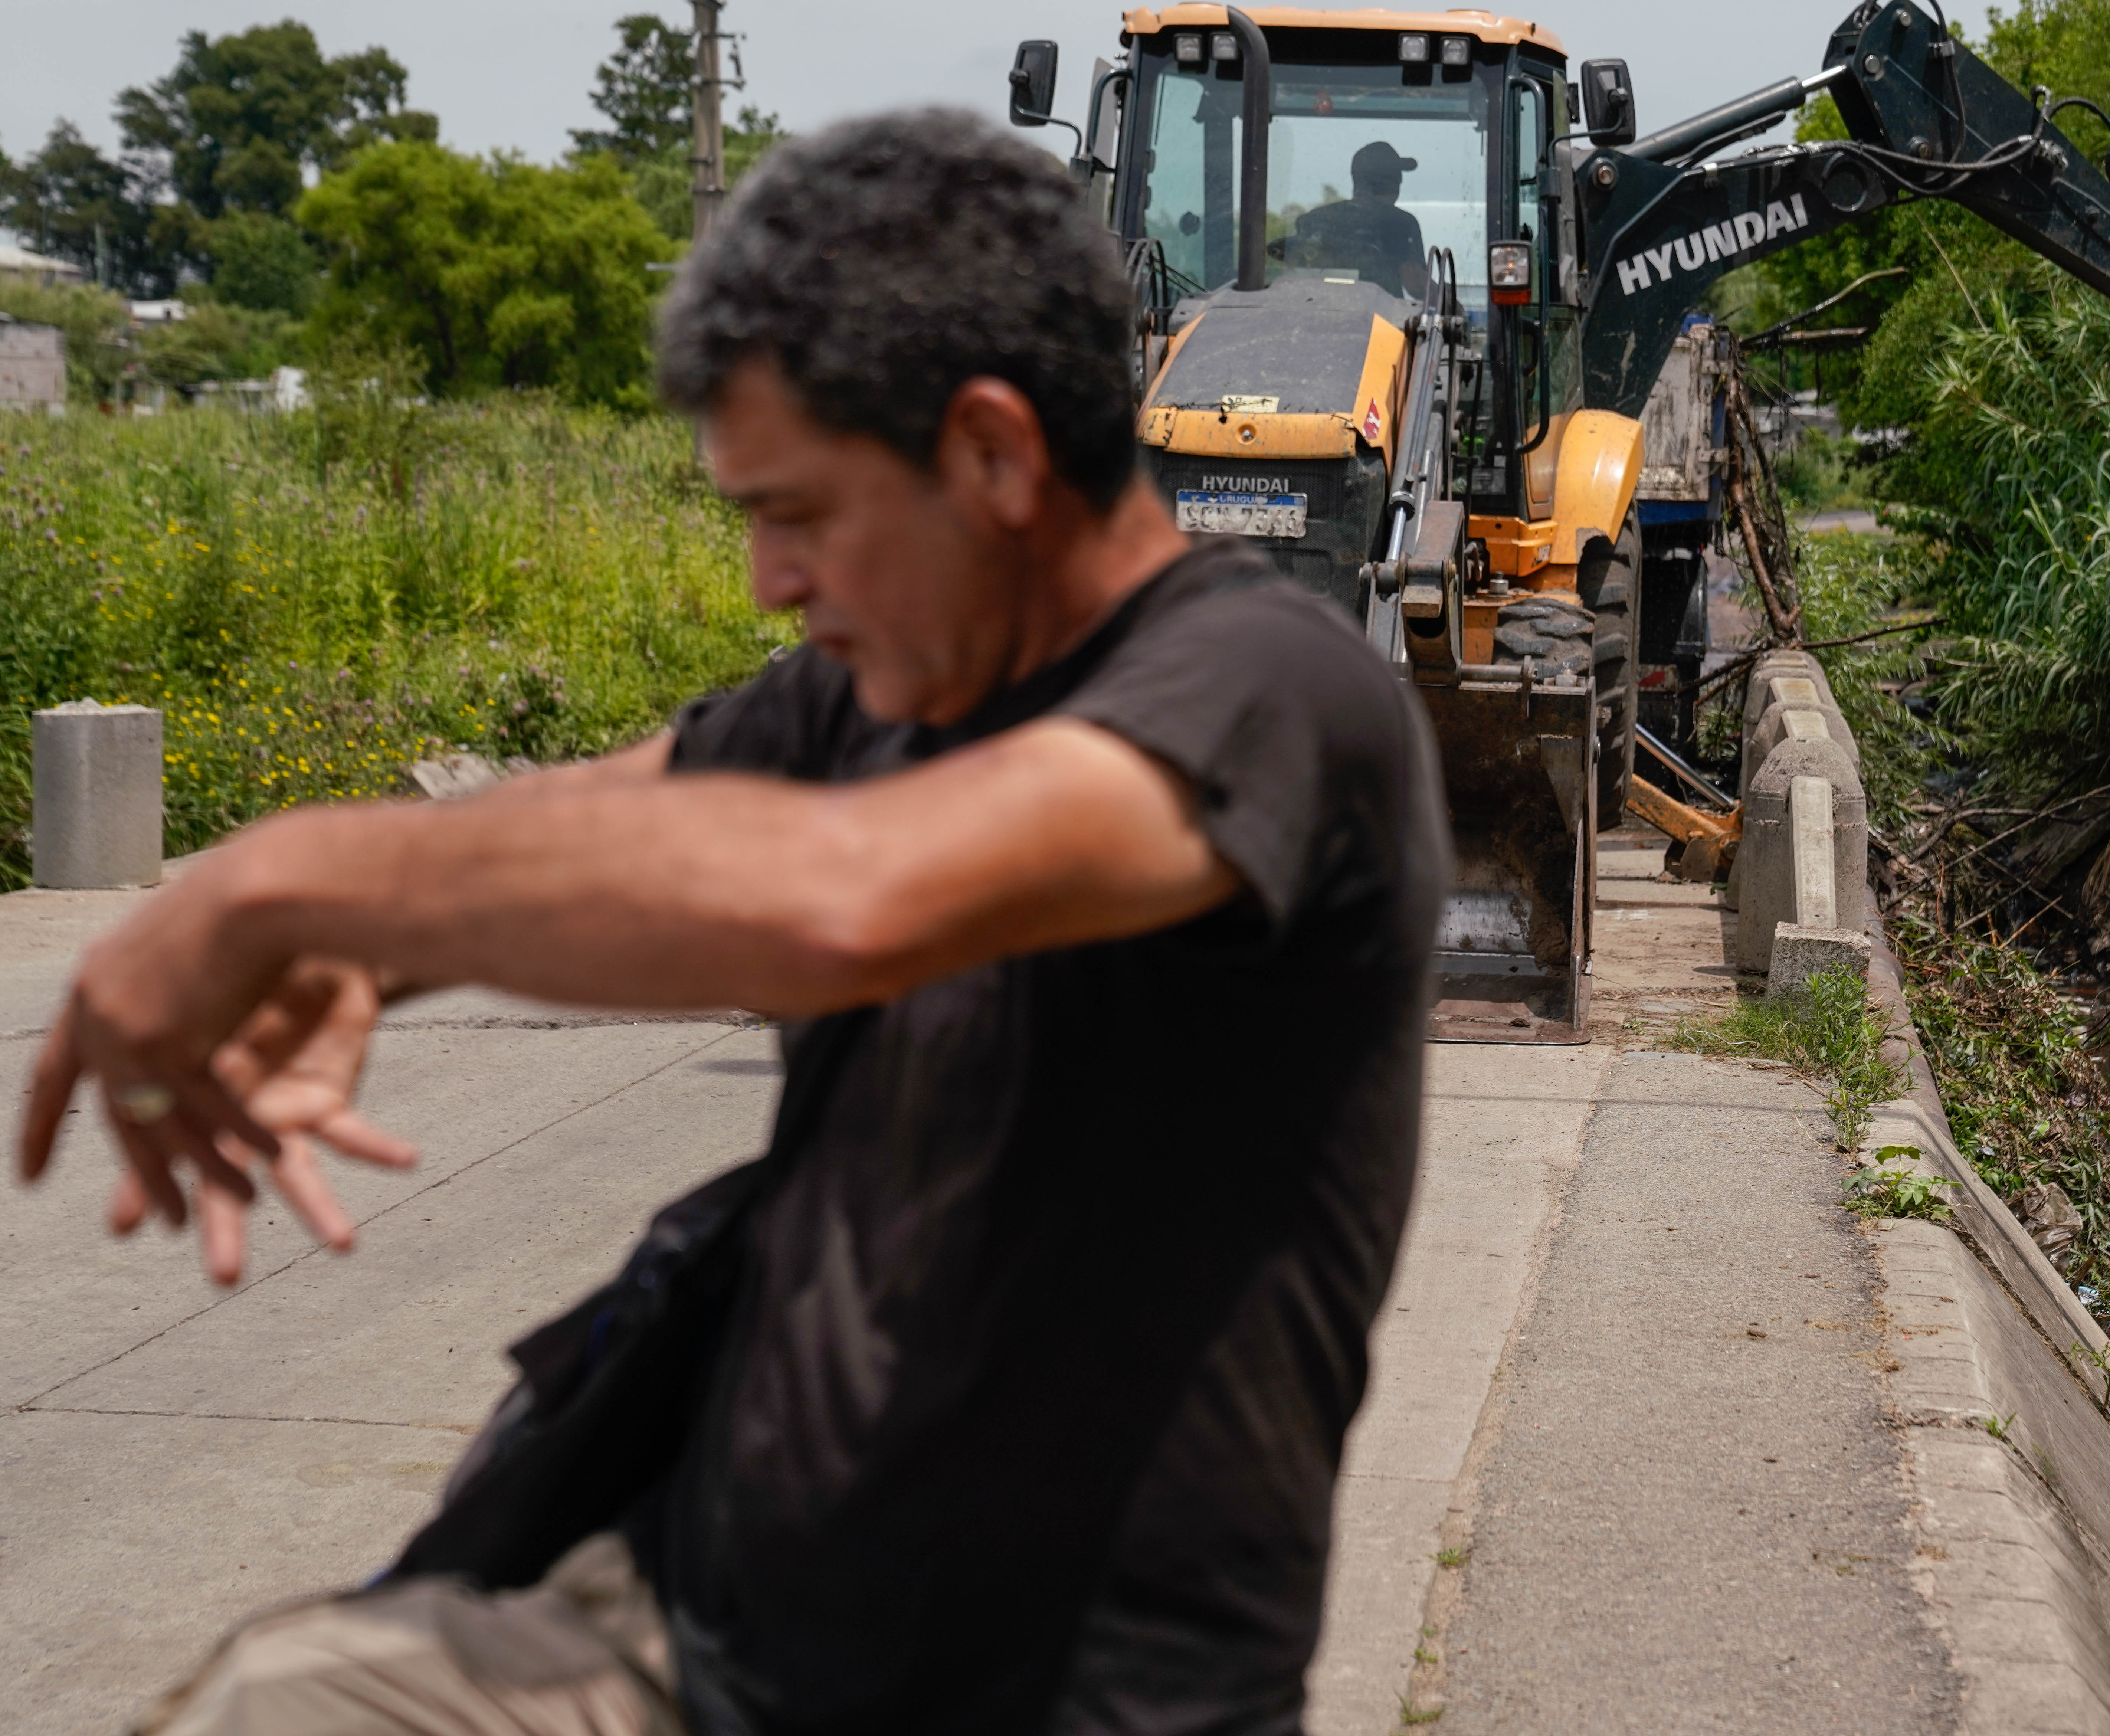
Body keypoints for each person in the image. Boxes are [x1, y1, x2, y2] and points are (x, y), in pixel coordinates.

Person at [19, 109, 1446, 1736]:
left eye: (801, 512)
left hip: (1048, 1698)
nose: (770, 578)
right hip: (692, 1629)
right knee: (276, 1705)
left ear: (991, 452)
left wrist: (279, 881)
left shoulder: (1274, 694)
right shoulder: (874, 695)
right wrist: (361, 946)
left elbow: (850, 900)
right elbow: (596, 822)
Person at [1288, 140, 1431, 297]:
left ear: (1357, 182)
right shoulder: (1401, 224)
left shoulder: (1312, 221)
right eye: (1399, 178)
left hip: (1316, 308)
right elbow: (1416, 285)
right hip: (1380, 312)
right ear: (1393, 183)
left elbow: (1294, 278)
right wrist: (1448, 298)